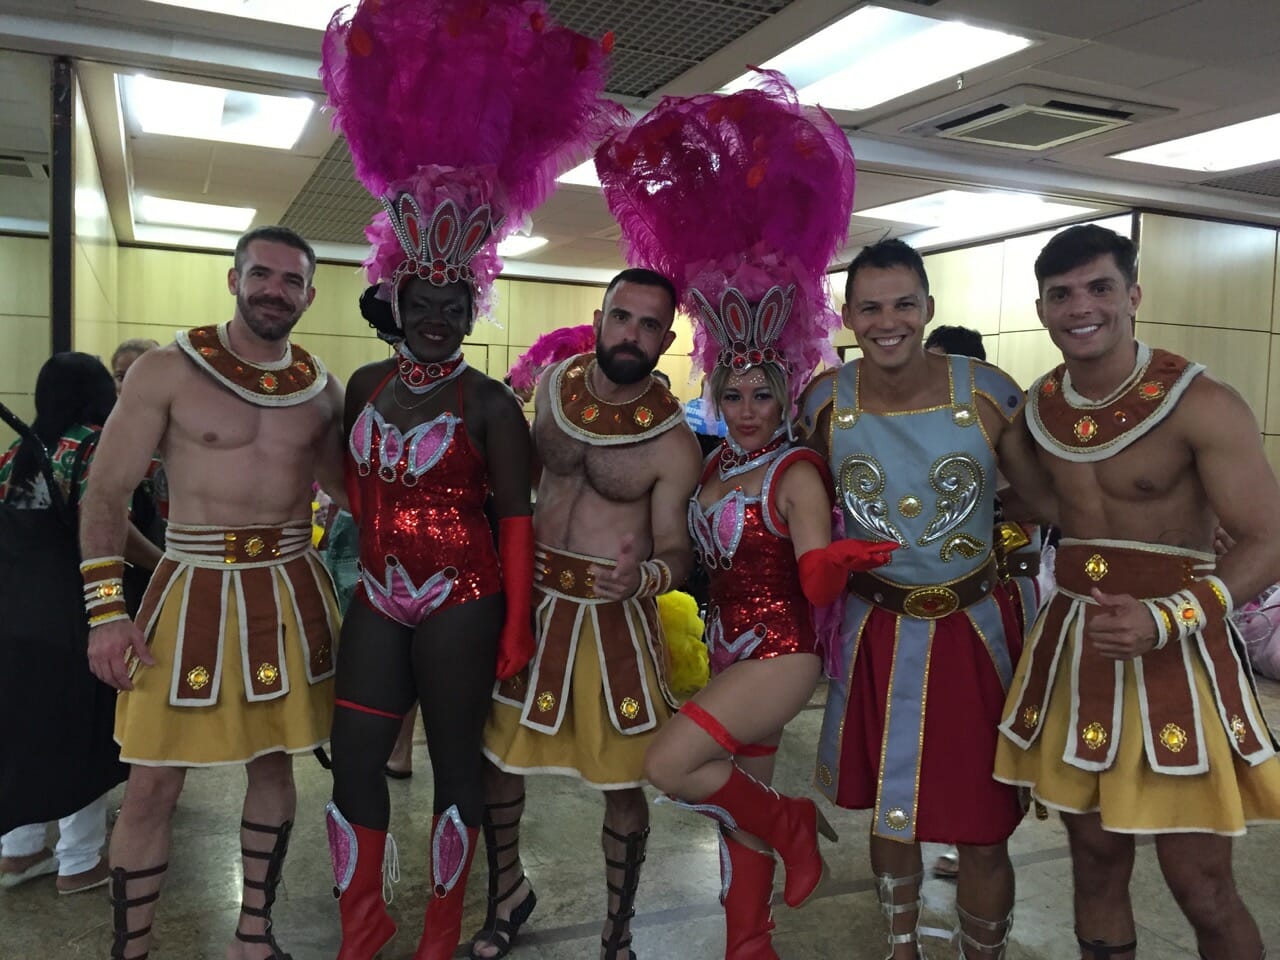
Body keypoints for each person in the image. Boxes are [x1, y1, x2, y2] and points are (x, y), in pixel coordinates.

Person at [319, 3, 625, 958]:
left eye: (459, 304)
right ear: (397, 298)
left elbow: (517, 521)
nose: (443, 317)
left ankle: (440, 939)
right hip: (379, 593)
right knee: (358, 759)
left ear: (471, 305)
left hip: (465, 598)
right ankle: (361, 933)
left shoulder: (493, 404)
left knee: (456, 765)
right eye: (428, 301)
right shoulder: (366, 384)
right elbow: (339, 476)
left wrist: (522, 624)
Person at [595, 73, 895, 959]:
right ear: (719, 391)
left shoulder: (796, 466)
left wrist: (846, 556)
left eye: (765, 391)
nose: (751, 404)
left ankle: (793, 823)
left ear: (785, 388)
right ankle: (749, 942)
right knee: (729, 815)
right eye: (736, 390)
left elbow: (808, 572)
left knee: (670, 764)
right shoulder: (719, 461)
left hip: (780, 655)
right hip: (730, 645)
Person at [994, 224, 1280, 960]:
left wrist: (1168, 612)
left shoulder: (1201, 401)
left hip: (1177, 654)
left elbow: (1270, 538)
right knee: (1093, 860)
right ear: (1043, 306)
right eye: (1061, 294)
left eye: (1099, 288)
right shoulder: (1037, 410)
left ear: (1133, 296)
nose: (1080, 307)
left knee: (1201, 885)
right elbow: (1035, 504)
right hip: (1076, 652)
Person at [80, 224, 345, 960]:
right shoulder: (167, 370)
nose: (274, 290)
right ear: (234, 279)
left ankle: (253, 935)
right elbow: (105, 491)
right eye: (261, 274)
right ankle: (129, 950)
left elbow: (353, 494)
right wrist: (107, 612)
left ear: (309, 295)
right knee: (153, 783)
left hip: (292, 595)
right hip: (189, 589)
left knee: (275, 763)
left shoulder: (322, 389)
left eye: (291, 281)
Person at [801, 238, 1052, 959]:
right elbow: (795, 498)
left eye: (904, 304)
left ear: (928, 308)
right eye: (871, 306)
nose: (888, 321)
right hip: (873, 629)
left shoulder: (987, 391)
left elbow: (1046, 498)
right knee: (892, 808)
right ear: (848, 315)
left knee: (981, 821)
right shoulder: (824, 400)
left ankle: (984, 952)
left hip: (976, 632)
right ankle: (901, 946)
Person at [474, 266, 703, 960]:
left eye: (649, 325)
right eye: (621, 317)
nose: (631, 334)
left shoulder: (673, 441)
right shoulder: (552, 386)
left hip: (614, 620)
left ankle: (617, 931)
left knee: (622, 783)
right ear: (601, 317)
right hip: (532, 608)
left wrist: (647, 577)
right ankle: (508, 892)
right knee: (498, 761)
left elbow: (678, 552)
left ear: (666, 339)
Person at [0, 353, 158, 896]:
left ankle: (18, 853)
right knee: (84, 734)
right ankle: (78, 860)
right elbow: (110, 520)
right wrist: (161, 563)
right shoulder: (96, 446)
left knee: (24, 731)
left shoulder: (16, 452)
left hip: (15, 614)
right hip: (80, 612)